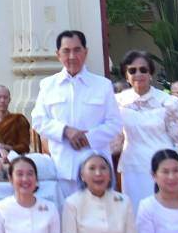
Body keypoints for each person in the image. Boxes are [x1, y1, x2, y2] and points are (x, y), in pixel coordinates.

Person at [30, 31, 124, 201]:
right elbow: (38, 120)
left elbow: (115, 123)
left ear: (85, 52)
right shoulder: (48, 85)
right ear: (58, 55)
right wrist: (66, 131)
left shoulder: (102, 85)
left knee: (100, 220)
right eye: (66, 51)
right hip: (63, 168)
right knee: (67, 222)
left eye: (77, 50)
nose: (72, 56)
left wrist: (88, 138)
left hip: (97, 170)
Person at [113, 51, 178, 208]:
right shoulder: (116, 102)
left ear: (151, 73)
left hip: (164, 167)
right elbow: (114, 139)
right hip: (132, 168)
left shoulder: (169, 102)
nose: (138, 74)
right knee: (136, 214)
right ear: (126, 76)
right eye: (132, 70)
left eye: (143, 69)